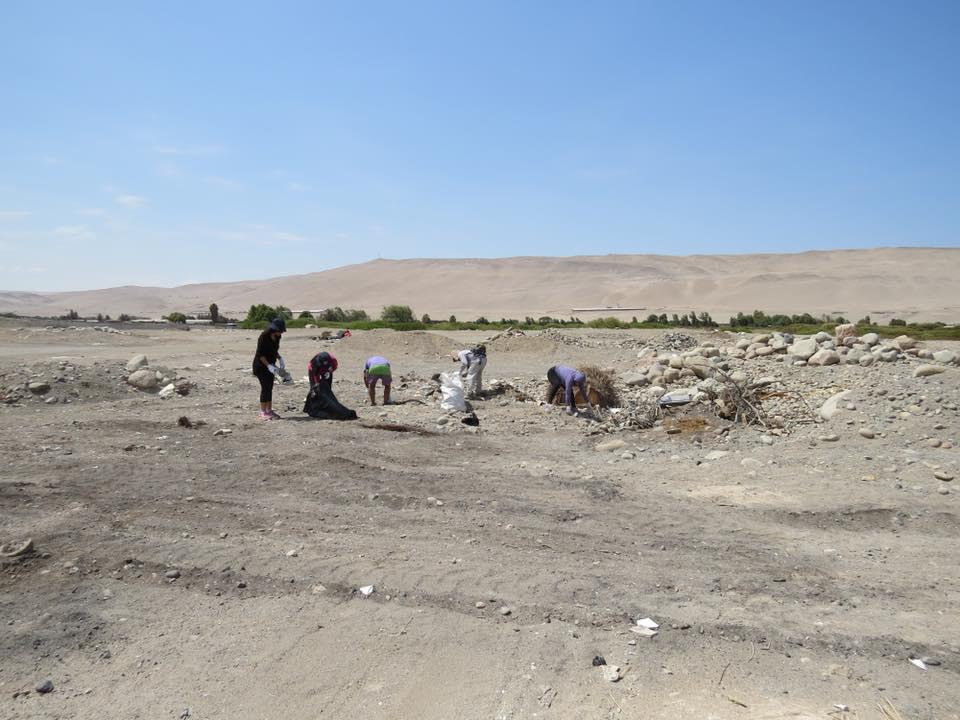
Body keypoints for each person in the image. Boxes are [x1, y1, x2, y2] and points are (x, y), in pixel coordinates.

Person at [303, 351, 357, 420]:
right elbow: (315, 375)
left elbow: (334, 367)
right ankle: (315, 403)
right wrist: (317, 384)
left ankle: (327, 399)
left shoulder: (333, 360)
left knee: (327, 388)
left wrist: (330, 371)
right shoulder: (314, 363)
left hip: (327, 370)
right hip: (314, 371)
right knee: (314, 388)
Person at [252, 317, 287, 420]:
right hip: (261, 365)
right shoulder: (264, 337)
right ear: (274, 330)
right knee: (265, 387)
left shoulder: (277, 337)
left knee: (270, 387)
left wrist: (280, 359)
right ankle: (263, 411)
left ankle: (269, 410)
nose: (281, 333)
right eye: (280, 331)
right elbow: (261, 354)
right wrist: (268, 366)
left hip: (271, 364)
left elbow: (273, 350)